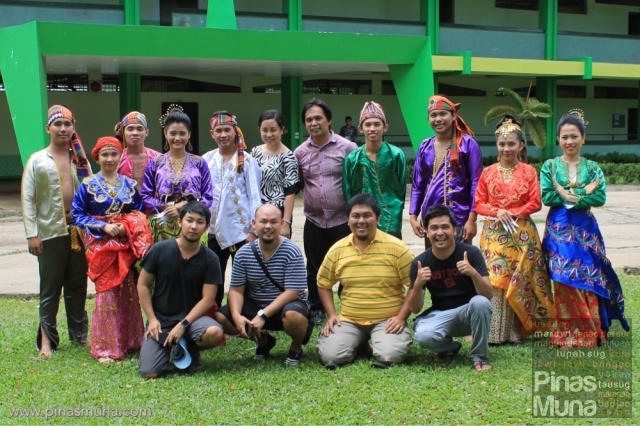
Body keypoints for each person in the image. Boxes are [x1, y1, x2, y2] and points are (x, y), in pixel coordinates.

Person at [541, 110, 629, 348]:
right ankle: (567, 332)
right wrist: (583, 192)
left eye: (574, 136)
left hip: (586, 232)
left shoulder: (592, 167)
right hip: (558, 231)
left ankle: (589, 332)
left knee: (588, 278)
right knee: (563, 279)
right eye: (564, 136)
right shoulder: (549, 167)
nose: (569, 141)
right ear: (558, 139)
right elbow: (547, 196)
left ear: (583, 138)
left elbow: (599, 197)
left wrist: (567, 194)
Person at [474, 116, 556, 345]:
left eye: (511, 143)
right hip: (493, 235)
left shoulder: (529, 172)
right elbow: (478, 202)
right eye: (502, 144)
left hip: (522, 235)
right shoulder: (487, 172)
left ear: (521, 145)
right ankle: (493, 333)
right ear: (497, 146)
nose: (506, 148)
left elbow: (536, 202)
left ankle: (516, 331)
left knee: (520, 281)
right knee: (495, 280)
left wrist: (514, 212)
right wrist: (496, 211)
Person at [72, 137, 152, 362]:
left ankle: (130, 341)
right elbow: (77, 215)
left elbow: (138, 213)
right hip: (100, 247)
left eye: (114, 154)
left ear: (120, 157)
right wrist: (104, 226)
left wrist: (126, 225)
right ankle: (106, 348)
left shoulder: (128, 184)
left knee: (128, 292)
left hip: (125, 246)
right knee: (106, 295)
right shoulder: (87, 184)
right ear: (97, 157)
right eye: (105, 154)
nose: (109, 159)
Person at [21, 105, 90, 357]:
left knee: (78, 286)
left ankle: (79, 335)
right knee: (50, 288)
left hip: (79, 231)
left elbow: (91, 192)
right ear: (48, 128)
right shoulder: (37, 160)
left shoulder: (79, 160)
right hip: (49, 233)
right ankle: (47, 340)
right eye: (58, 124)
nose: (63, 128)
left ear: (73, 128)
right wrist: (32, 234)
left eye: (67, 124)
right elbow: (28, 199)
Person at [316, 194, 414, 369]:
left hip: (387, 320)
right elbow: (323, 283)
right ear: (348, 220)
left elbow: (414, 286)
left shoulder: (397, 248)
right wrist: (332, 315)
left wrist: (401, 317)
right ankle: (358, 345)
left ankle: (375, 344)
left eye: (367, 215)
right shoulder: (337, 250)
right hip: (349, 319)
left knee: (389, 356)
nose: (361, 221)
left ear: (377, 218)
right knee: (331, 357)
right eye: (355, 216)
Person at [214, 204, 309, 366]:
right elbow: (236, 290)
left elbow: (293, 292)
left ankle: (296, 348)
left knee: (294, 315)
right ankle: (263, 341)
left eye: (273, 222)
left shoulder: (291, 251)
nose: (268, 226)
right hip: (257, 304)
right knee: (221, 317)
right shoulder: (243, 253)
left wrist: (262, 315)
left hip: (286, 307)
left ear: (281, 224)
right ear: (254, 224)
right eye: (263, 221)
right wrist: (236, 316)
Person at [137, 202, 224, 378]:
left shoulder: (210, 259)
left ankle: (191, 348)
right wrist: (152, 320)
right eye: (189, 220)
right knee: (149, 372)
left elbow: (208, 299)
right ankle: (169, 345)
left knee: (215, 332)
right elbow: (143, 284)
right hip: (161, 321)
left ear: (207, 227)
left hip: (192, 321)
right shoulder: (160, 250)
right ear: (179, 222)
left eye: (200, 222)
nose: (193, 226)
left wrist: (183, 325)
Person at [407, 205, 494, 372]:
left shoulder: (471, 253)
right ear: (426, 231)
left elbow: (489, 294)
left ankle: (480, 357)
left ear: (454, 230)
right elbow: (415, 308)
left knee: (481, 302)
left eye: (445, 227)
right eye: (434, 228)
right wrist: (418, 284)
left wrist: (473, 273)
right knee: (423, 336)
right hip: (442, 315)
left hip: (470, 313)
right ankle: (448, 347)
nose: (440, 232)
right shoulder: (420, 263)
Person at [294, 98, 357, 325]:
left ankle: (348, 306)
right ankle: (317, 307)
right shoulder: (299, 153)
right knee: (315, 266)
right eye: (309, 119)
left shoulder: (348, 148)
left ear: (329, 120)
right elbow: (300, 184)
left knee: (347, 265)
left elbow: (356, 181)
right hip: (315, 220)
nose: (314, 123)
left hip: (343, 220)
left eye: (318, 118)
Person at [203, 111, 262, 307]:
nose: (223, 134)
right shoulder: (207, 159)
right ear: (212, 133)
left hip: (242, 232)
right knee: (214, 277)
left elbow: (255, 196)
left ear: (235, 131)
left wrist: (254, 231)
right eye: (218, 130)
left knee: (243, 279)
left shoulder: (247, 160)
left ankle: (244, 316)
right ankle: (214, 314)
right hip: (213, 231)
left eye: (227, 129)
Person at [410, 95, 483, 250]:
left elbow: (476, 185)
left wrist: (472, 220)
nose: (438, 119)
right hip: (431, 221)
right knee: (434, 267)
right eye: (433, 115)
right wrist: (413, 216)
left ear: (454, 115)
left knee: (460, 268)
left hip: (459, 219)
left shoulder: (468, 145)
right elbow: (418, 185)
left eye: (443, 114)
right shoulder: (424, 146)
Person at [141, 105, 213, 244]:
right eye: (173, 133)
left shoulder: (199, 163)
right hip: (162, 225)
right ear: (165, 133)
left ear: (189, 134)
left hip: (192, 224)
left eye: (182, 133)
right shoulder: (156, 163)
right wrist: (167, 208)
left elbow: (208, 197)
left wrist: (183, 207)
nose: (177, 138)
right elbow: (146, 196)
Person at [343, 101, 406, 239]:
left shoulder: (395, 154)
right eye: (368, 124)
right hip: (361, 218)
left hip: (391, 217)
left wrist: (396, 209)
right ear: (360, 128)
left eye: (377, 124)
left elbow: (401, 189)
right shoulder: (352, 158)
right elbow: (348, 191)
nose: (372, 128)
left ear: (385, 127)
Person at [251, 110, 301, 239]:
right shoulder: (255, 152)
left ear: (282, 130)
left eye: (273, 130)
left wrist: (286, 223)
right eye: (264, 130)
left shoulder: (288, 157)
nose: (268, 134)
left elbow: (290, 193)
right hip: (257, 212)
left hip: (277, 214)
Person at [115, 111, 161, 194]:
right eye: (130, 129)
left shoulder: (158, 158)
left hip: (153, 206)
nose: (135, 133)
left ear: (146, 132)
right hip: (124, 206)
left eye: (139, 129)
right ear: (123, 132)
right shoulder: (117, 158)